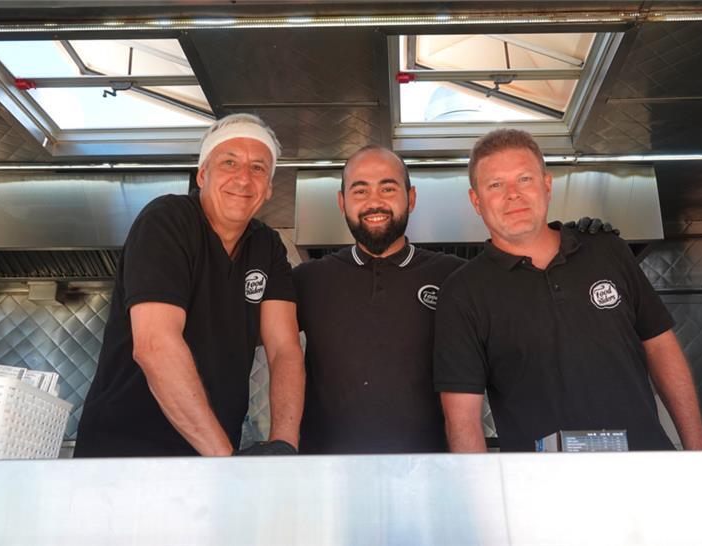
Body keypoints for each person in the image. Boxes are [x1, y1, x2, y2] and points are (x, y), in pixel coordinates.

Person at [433, 129, 702, 452]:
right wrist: (483, 496)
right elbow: (462, 417)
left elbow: (661, 348)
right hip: (540, 491)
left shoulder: (608, 251)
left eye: (524, 179)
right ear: (476, 201)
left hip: (644, 471)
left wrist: (698, 453)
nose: (513, 194)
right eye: (495, 185)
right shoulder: (463, 293)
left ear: (546, 186)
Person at [75, 114, 304, 457]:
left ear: (269, 188)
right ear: (202, 174)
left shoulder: (266, 247)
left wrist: (285, 445)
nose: (243, 178)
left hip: (209, 457)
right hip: (125, 454)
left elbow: (284, 348)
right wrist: (225, 462)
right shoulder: (167, 221)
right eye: (229, 162)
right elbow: (155, 345)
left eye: (258, 168)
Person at [293, 145, 464, 454]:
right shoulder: (307, 280)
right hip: (326, 473)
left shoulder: (455, 276)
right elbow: (244, 340)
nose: (374, 202)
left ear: (411, 198)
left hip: (428, 471)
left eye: (388, 188)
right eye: (360, 191)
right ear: (341, 202)